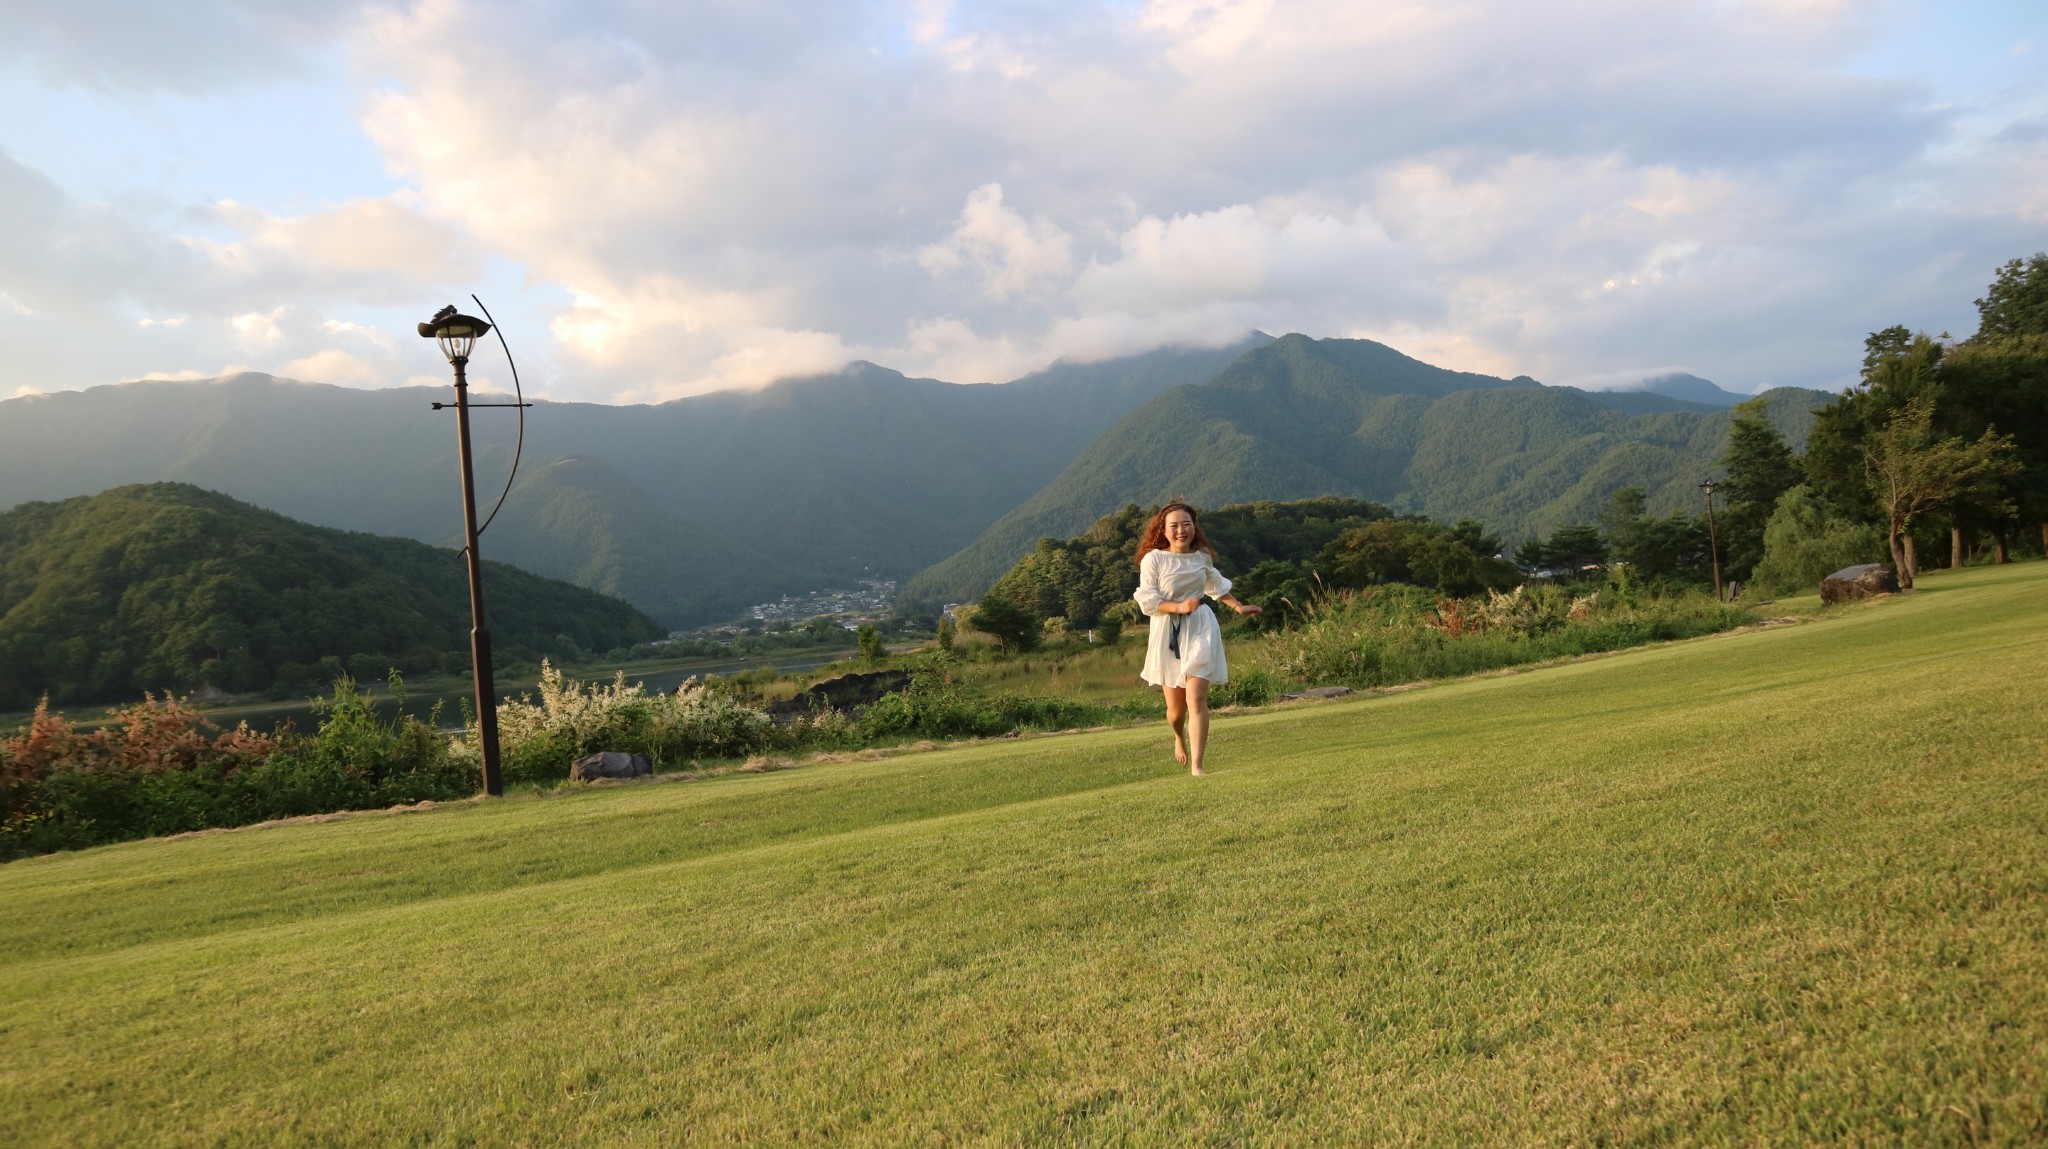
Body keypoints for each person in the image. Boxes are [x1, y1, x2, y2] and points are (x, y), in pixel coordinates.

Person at [1133, 502, 1261, 776]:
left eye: (1186, 524)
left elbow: (1215, 585)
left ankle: (1198, 766)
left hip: (1201, 627)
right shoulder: (1154, 559)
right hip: (1167, 629)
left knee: (1197, 698)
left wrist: (1238, 607)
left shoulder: (1202, 557)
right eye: (1174, 526)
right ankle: (1178, 736)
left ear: (1194, 527)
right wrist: (1179, 607)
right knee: (1176, 712)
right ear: (1163, 531)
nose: (1181, 530)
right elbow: (1148, 600)